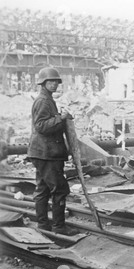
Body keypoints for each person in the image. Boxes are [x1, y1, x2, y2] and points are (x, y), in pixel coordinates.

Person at [28, 67, 78, 236]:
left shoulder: (47, 99)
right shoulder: (43, 101)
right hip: (46, 154)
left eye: (56, 81)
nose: (55, 84)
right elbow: (41, 126)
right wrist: (61, 118)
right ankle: (59, 227)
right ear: (43, 83)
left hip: (43, 153)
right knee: (60, 189)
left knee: (42, 189)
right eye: (51, 81)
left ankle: (43, 225)